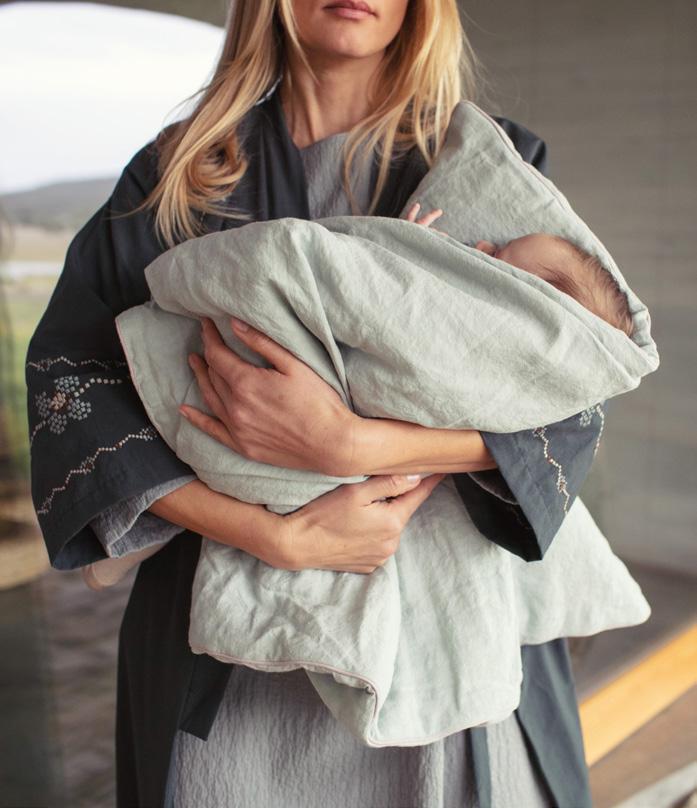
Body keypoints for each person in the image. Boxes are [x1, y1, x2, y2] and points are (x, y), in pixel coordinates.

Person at [26, 1, 602, 805]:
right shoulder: (179, 172)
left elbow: (573, 385)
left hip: (451, 645)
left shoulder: (488, 162)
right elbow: (71, 382)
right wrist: (273, 536)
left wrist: (354, 445)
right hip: (235, 673)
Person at [81, 214, 634, 592]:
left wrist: (352, 445)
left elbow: (562, 425)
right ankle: (155, 522)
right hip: (233, 507)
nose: (482, 248)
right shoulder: (180, 163)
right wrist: (398, 254)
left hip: (376, 530)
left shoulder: (521, 372)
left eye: (502, 260)